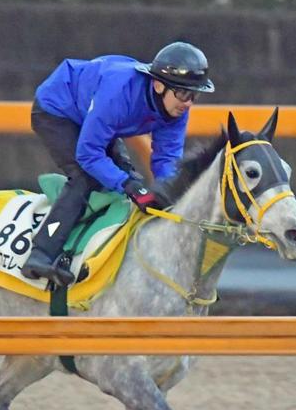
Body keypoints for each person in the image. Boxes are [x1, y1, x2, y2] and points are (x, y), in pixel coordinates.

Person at [21, 41, 215, 287]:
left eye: (195, 95)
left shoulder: (177, 109)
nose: (188, 103)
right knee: (87, 177)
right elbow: (88, 154)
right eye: (183, 94)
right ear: (157, 85)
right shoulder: (119, 92)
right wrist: (130, 185)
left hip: (96, 116)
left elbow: (166, 160)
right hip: (57, 110)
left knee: (128, 179)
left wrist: (168, 197)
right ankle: (41, 253)